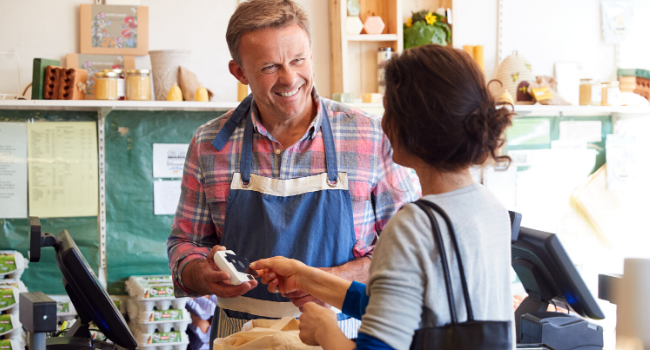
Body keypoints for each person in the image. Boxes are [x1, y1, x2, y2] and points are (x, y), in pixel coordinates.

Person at [166, 0, 417, 345]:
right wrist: (200, 272)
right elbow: (185, 242)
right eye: (269, 66)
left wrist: (322, 282)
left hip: (342, 335)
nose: (289, 78)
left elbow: (408, 251)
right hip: (240, 338)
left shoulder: (370, 136)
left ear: (311, 55)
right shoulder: (210, 144)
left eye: (298, 60)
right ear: (239, 72)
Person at [251, 44, 516, 350]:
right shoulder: (489, 206)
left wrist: (324, 330)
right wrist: (304, 277)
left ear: (411, 125)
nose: (383, 123)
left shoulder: (413, 226)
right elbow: (399, 307)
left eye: (388, 109)